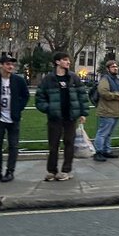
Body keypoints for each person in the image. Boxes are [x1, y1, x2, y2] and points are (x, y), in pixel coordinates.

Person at [35, 51, 88, 181]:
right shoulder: (48, 79)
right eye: (65, 60)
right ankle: (52, 171)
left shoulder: (73, 78)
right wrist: (49, 109)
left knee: (69, 143)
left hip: (70, 117)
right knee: (53, 145)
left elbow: (82, 95)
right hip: (55, 118)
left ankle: (66, 170)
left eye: (68, 60)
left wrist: (83, 113)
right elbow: (39, 98)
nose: (68, 62)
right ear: (57, 62)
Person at [0, 54, 30, 183]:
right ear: (1, 65)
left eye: (12, 64)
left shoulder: (19, 80)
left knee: (13, 145)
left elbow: (25, 96)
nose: (10, 66)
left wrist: (18, 108)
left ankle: (10, 171)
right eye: (7, 64)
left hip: (13, 118)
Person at [94, 60, 119, 162]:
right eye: (113, 67)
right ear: (108, 69)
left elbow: (117, 92)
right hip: (107, 111)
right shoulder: (105, 79)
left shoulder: (116, 80)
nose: (116, 68)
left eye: (116, 67)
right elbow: (103, 92)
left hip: (115, 111)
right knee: (102, 133)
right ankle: (98, 152)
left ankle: (106, 150)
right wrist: (118, 96)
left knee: (109, 133)